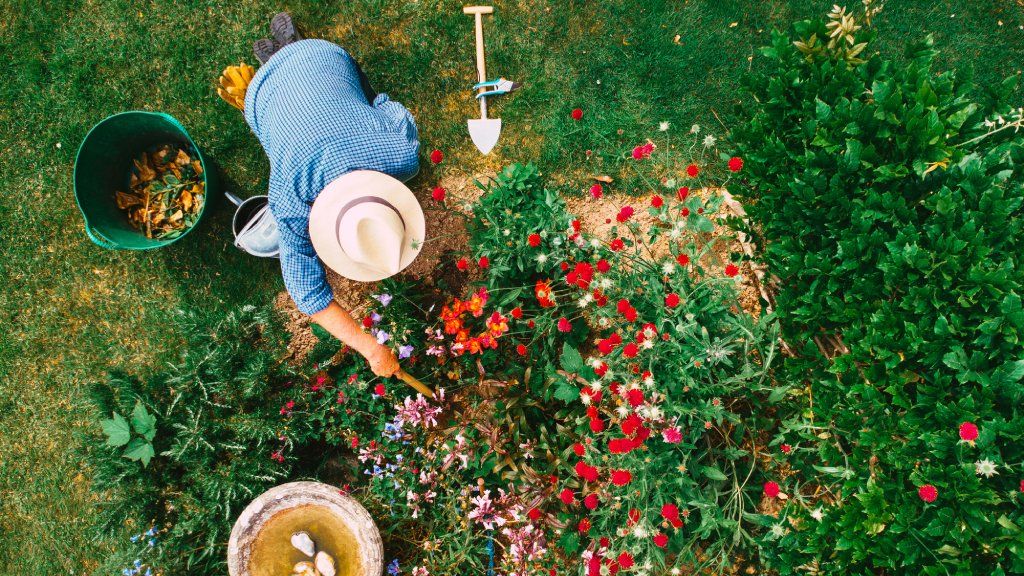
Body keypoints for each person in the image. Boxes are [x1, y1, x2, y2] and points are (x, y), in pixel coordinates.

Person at [243, 13, 422, 377]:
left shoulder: (400, 156)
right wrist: (371, 350)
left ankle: (287, 56)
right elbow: (388, 107)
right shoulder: (289, 201)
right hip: (265, 93)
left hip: (310, 66)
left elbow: (309, 296)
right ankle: (288, 55)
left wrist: (374, 349)